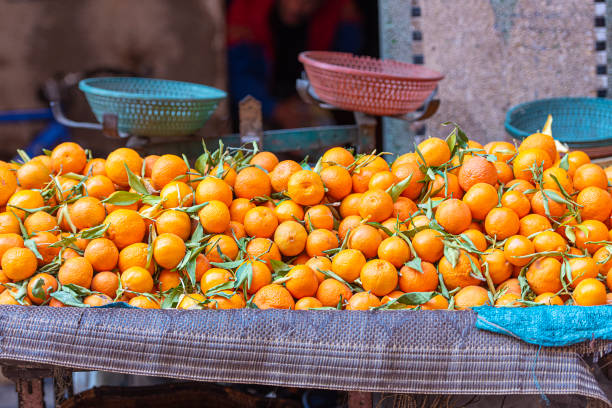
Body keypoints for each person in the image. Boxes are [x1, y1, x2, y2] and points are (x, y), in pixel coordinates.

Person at [227, 0, 363, 129]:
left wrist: (313, 97)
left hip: (309, 102)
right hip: (259, 108)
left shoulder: (339, 11)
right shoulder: (248, 9)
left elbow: (347, 65)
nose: (296, 8)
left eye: (308, 2)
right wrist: (274, 110)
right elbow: (239, 74)